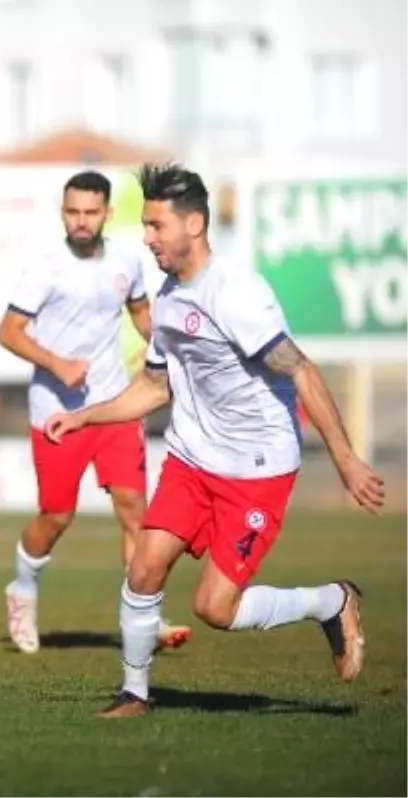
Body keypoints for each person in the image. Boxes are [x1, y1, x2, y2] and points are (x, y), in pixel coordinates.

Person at [44, 163, 384, 719]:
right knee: (144, 568)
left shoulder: (238, 295)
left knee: (215, 608)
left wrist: (345, 459)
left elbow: (301, 371)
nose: (147, 238)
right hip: (192, 458)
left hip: (257, 469)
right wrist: (86, 418)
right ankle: (135, 693)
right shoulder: (170, 298)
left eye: (156, 226)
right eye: (146, 227)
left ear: (194, 224)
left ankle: (331, 601)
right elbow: (155, 386)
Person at [0, 170, 191, 655]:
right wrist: (57, 363)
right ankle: (22, 589)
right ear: (63, 212)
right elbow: (9, 331)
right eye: (72, 212)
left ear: (106, 213)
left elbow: (141, 313)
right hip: (56, 412)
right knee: (57, 516)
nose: (81, 221)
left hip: (115, 405)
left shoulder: (127, 257)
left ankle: (140, 617)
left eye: (90, 212)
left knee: (134, 512)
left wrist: (174, 354)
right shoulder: (46, 267)